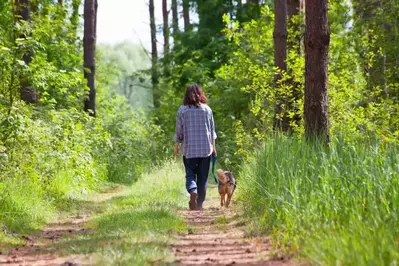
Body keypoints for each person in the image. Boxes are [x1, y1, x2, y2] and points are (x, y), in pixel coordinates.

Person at [174, 84, 217, 210]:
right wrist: (213, 148)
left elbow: (179, 131)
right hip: (205, 150)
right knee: (203, 178)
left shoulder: (182, 110)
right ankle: (199, 204)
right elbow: (212, 131)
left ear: (186, 96)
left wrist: (176, 145)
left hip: (189, 150)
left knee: (190, 174)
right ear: (200, 94)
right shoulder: (207, 109)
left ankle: (193, 191)